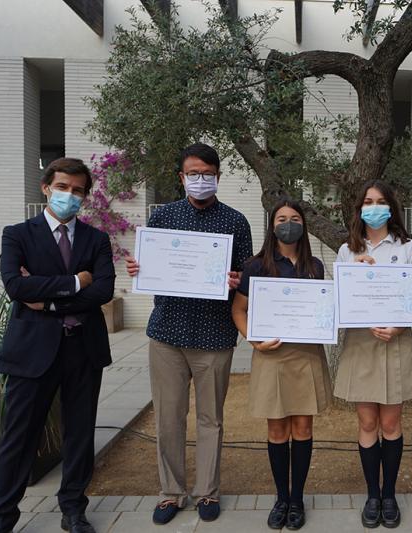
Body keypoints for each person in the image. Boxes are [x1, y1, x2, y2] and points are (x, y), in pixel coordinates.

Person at [125, 143, 253, 524]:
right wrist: (139, 270)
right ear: (181, 177)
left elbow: (245, 278)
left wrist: (237, 280)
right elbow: (151, 265)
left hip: (214, 335)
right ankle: (171, 493)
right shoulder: (163, 217)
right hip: (168, 333)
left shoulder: (235, 222)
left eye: (207, 174)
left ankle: (207, 491)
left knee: (211, 418)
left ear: (218, 176)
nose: (200, 180)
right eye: (193, 174)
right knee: (168, 417)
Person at [0, 158, 116, 533]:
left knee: (80, 434)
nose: (69, 195)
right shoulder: (17, 235)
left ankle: (73, 509)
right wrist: (77, 282)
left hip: (83, 349)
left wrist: (47, 301)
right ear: (46, 188)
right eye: (62, 187)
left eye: (77, 190)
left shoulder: (96, 239)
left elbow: (103, 291)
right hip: (31, 352)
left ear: (85, 196)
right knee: (19, 436)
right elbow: (16, 286)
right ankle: (2, 517)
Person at [231, 199, 332, 531]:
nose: (289, 224)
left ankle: (297, 499)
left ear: (304, 225)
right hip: (271, 357)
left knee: (303, 429)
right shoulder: (256, 266)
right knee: (276, 430)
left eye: (295, 218)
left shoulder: (315, 266)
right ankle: (281, 499)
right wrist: (254, 340)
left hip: (306, 356)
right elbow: (239, 311)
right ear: (272, 225)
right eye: (282, 218)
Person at [334, 180, 412, 529]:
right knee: (367, 423)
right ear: (360, 209)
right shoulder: (347, 250)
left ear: (392, 208)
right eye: (368, 202)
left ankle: (390, 495)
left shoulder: (409, 248)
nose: (374, 207)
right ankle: (372, 495)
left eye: (381, 201)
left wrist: (399, 327)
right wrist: (355, 272)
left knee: (390, 424)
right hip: (361, 343)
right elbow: (340, 300)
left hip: (394, 342)